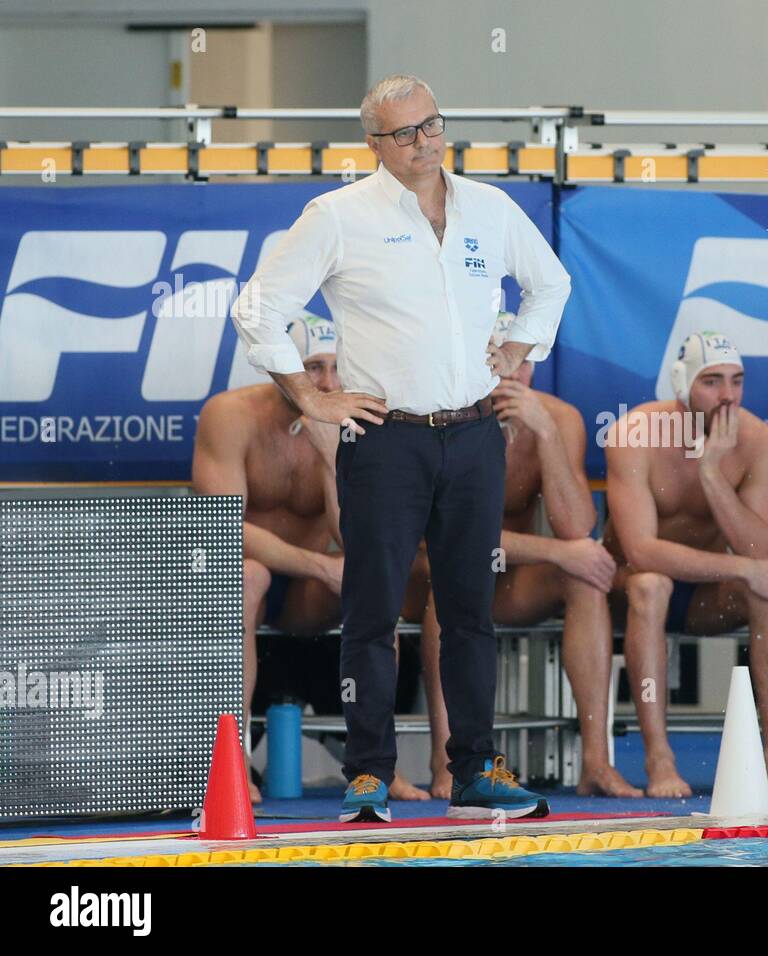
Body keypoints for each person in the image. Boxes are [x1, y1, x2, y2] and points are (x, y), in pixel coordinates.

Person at [230, 73, 569, 822]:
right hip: (387, 442)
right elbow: (258, 307)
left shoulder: (490, 207)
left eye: (432, 126)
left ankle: (476, 771)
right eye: (405, 132)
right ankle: (368, 775)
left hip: (477, 433)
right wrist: (309, 395)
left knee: (470, 611)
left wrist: (520, 348)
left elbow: (551, 283)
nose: (424, 142)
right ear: (374, 143)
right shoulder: (339, 215)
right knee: (372, 610)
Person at [343, 315, 640, 798]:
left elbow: (577, 526)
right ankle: (448, 763)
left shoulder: (557, 417)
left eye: (520, 364)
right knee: (452, 588)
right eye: (498, 364)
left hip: (504, 576)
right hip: (427, 571)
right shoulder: (434, 418)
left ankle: (596, 761)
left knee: (583, 578)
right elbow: (427, 536)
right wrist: (557, 551)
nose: (511, 378)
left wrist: (546, 435)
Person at [193, 314, 431, 803]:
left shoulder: (357, 419)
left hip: (304, 593)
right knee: (249, 576)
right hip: (249, 574)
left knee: (373, 587)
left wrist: (329, 457)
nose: (324, 383)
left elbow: (356, 535)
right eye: (311, 368)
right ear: (280, 367)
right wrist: (320, 565)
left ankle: (376, 764)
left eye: (334, 368)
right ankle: (233, 760)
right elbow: (222, 528)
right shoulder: (229, 416)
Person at [603, 332, 768, 798]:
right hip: (627, 593)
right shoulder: (636, 433)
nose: (728, 396)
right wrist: (740, 569)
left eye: (737, 381)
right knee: (652, 584)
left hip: (701, 596)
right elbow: (641, 551)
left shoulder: (758, 440)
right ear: (681, 383)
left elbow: (758, 548)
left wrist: (712, 472)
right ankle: (659, 756)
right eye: (712, 382)